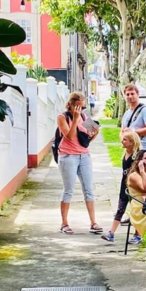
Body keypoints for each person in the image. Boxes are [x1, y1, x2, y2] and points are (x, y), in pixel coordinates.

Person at [57, 92, 101, 235]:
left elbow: (95, 131)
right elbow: (69, 136)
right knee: (68, 190)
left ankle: (93, 223)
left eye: (82, 107)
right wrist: (75, 119)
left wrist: (89, 138)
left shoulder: (84, 116)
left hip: (84, 156)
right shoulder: (62, 117)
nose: (80, 110)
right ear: (70, 104)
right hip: (68, 156)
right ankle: (64, 223)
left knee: (89, 189)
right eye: (77, 106)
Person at [101, 129, 142, 243]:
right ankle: (111, 233)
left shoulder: (137, 156)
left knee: (135, 210)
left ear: (132, 142)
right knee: (120, 209)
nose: (122, 141)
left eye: (125, 140)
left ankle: (138, 235)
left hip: (134, 187)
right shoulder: (126, 154)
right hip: (124, 185)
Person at [120, 83, 146, 151]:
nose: (130, 96)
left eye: (132, 94)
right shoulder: (126, 114)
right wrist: (123, 140)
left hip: (145, 149)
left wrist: (133, 132)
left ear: (138, 94)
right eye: (127, 94)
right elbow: (122, 131)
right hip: (131, 150)